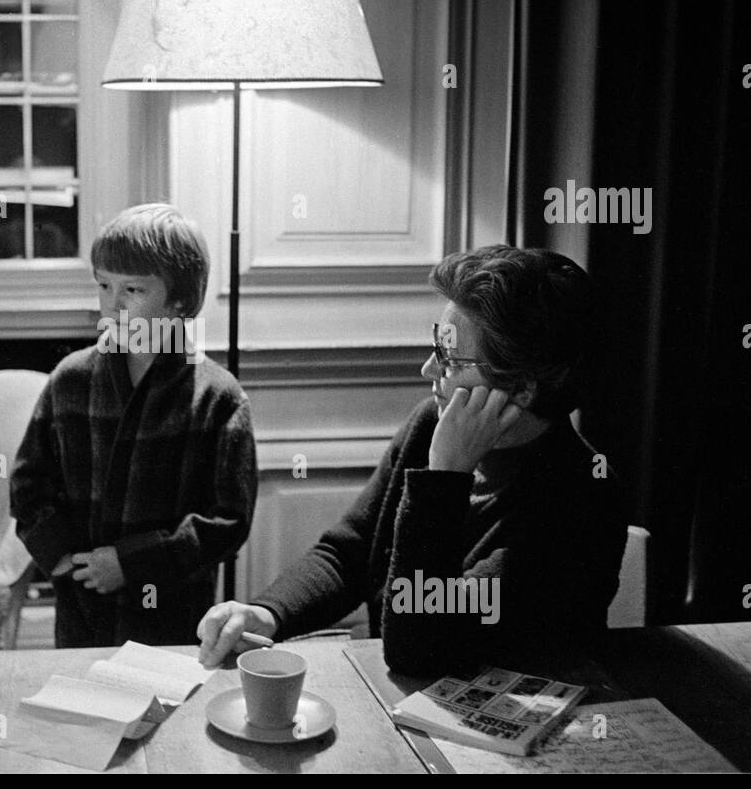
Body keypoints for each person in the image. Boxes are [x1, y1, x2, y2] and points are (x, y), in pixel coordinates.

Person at [197, 245, 627, 674]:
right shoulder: (431, 424)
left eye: (448, 358)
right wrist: (270, 614)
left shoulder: (582, 501)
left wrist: (444, 479)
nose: (427, 370)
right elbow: (348, 551)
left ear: (522, 389)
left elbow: (419, 649)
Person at [11, 203, 257, 647]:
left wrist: (133, 563)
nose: (111, 303)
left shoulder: (217, 397)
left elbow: (227, 520)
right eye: (104, 285)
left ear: (179, 300)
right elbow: (29, 484)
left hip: (174, 622)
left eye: (133, 290)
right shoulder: (71, 380)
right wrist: (61, 556)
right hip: (82, 619)